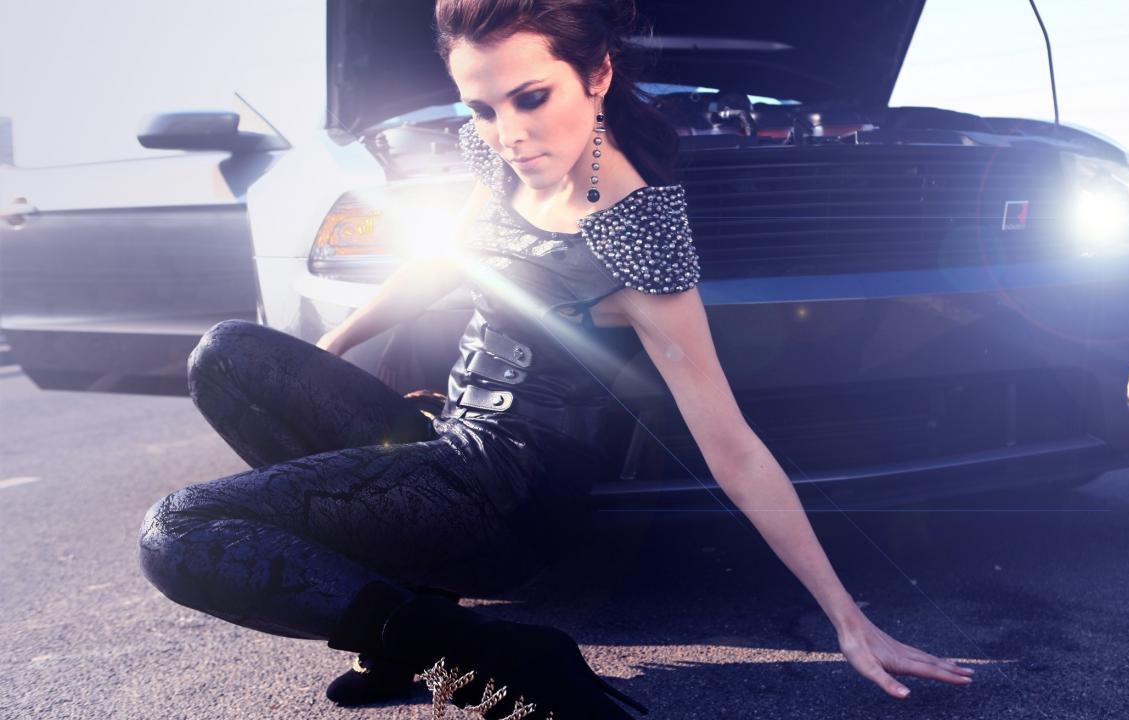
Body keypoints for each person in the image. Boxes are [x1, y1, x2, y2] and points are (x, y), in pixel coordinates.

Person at [136, 0, 977, 717]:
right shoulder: (501, 160)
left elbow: (734, 449)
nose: (509, 134)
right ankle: (411, 611)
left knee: (179, 531)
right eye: (482, 108)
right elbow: (441, 262)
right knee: (228, 354)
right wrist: (327, 352)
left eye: (532, 98)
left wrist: (847, 619)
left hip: (510, 500)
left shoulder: (637, 235)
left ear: (597, 74)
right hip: (446, 445)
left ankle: (482, 655)